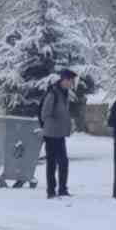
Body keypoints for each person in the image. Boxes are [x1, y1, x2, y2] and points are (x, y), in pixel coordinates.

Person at [38, 68, 76, 199]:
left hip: (60, 134)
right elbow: (45, 114)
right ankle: (51, 190)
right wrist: (55, 124)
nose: (71, 84)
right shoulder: (53, 94)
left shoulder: (63, 93)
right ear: (64, 80)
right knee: (52, 163)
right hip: (51, 134)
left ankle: (62, 189)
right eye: (70, 81)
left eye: (72, 81)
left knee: (63, 162)